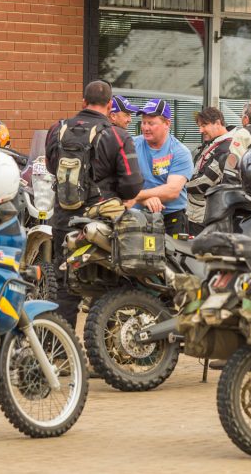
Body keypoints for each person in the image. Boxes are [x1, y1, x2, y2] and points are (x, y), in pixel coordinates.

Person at [46, 80, 144, 325]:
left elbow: (51, 167)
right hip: (101, 221)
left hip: (63, 219)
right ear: (110, 105)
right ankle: (109, 351)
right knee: (114, 282)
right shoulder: (117, 135)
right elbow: (132, 183)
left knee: (64, 282)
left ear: (83, 102)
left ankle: (58, 349)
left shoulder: (56, 129)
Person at [129, 98, 194, 236]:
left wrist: (136, 196)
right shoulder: (131, 145)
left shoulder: (179, 152)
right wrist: (145, 199)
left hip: (171, 220)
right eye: (144, 122)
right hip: (135, 217)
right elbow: (119, 180)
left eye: (151, 123)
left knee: (172, 257)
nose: (145, 128)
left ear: (167, 123)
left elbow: (172, 191)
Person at [186, 107, 234, 234]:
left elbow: (205, 182)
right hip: (199, 213)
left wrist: (178, 185)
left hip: (206, 216)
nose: (200, 130)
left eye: (204, 125)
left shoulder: (226, 147)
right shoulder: (216, 142)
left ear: (218, 123)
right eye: (199, 126)